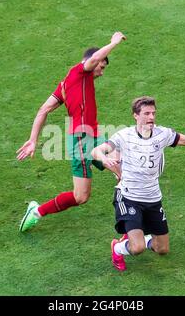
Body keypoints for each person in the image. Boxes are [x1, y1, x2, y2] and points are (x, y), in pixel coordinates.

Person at [91, 96, 185, 271]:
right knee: (136, 249)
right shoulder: (124, 136)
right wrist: (103, 159)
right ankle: (117, 248)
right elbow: (97, 151)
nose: (151, 117)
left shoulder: (163, 134)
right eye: (146, 113)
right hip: (128, 197)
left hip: (153, 198)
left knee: (162, 249)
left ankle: (140, 237)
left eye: (153, 113)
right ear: (135, 116)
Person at [16, 32, 126, 232]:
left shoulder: (67, 83)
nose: (101, 73)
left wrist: (33, 139)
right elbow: (93, 59)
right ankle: (36, 212)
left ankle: (134, 217)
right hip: (81, 142)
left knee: (122, 161)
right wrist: (113, 42)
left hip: (92, 136)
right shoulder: (79, 72)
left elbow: (44, 110)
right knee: (81, 197)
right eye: (101, 67)